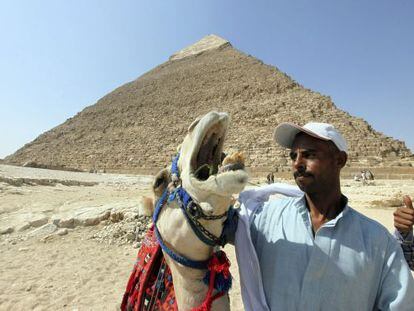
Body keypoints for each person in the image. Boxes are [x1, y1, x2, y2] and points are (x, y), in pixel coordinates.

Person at [233, 122, 414, 311]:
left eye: (309, 155)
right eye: (293, 156)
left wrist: (404, 236)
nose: (297, 163)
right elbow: (211, 229)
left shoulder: (377, 241)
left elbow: (400, 304)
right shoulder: (263, 220)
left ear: (339, 160)